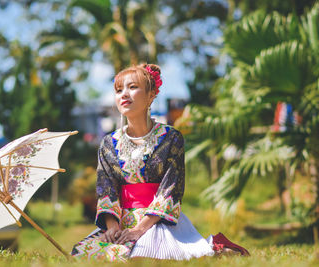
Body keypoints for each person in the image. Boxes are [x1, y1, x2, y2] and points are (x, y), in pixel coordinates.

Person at [71, 63, 249, 261]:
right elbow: (106, 189)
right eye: (119, 90)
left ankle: (213, 248)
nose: (124, 94)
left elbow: (171, 188)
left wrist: (139, 229)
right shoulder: (108, 144)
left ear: (151, 95)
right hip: (122, 222)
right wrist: (112, 227)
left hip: (157, 220)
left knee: (142, 256)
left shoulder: (171, 138)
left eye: (132, 87)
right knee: (84, 254)